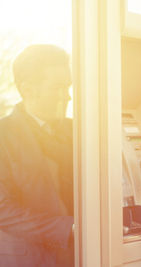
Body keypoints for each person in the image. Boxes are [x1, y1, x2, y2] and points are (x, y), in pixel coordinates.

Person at [0, 44, 74, 266]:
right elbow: (3, 210)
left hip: (83, 256)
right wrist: (67, 228)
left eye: (68, 87)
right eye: (59, 88)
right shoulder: (3, 135)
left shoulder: (79, 131)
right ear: (28, 89)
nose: (67, 97)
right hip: (29, 259)